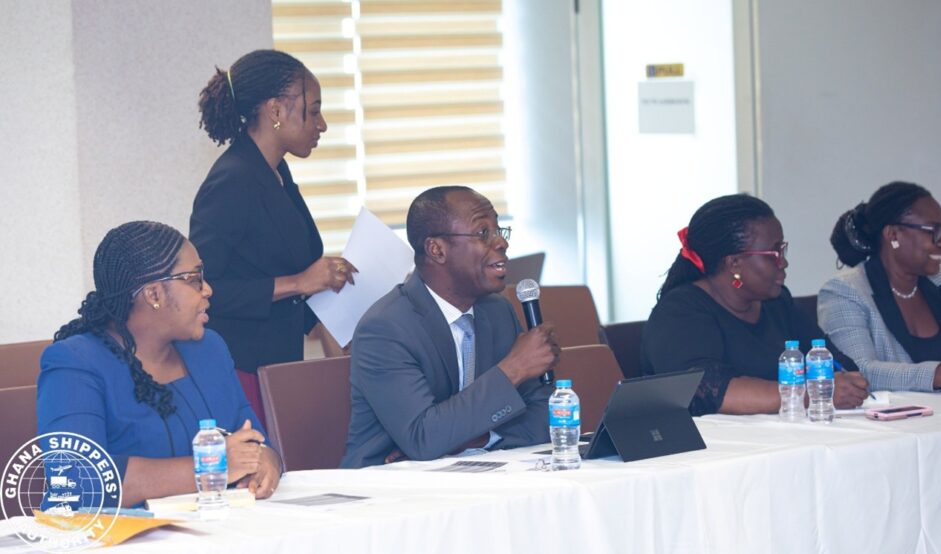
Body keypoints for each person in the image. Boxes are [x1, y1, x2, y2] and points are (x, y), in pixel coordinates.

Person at [38, 221, 282, 507]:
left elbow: (255, 439)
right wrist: (210, 467)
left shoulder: (209, 349)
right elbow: (77, 479)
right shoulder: (75, 364)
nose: (207, 289)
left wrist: (267, 461)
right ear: (154, 294)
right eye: (194, 278)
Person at [191, 49, 357, 425]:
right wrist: (299, 282)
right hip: (240, 370)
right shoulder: (232, 180)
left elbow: (290, 263)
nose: (322, 125)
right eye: (314, 111)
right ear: (276, 110)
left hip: (278, 361)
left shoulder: (275, 171)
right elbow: (201, 289)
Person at [342, 186, 558, 468]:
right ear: (437, 250)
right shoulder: (385, 329)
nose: (501, 243)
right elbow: (424, 438)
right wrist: (513, 369)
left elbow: (548, 417)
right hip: (389, 482)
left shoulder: (498, 312)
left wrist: (477, 440)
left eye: (499, 230)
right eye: (483, 232)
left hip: (480, 472)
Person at [640, 194, 870, 416]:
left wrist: (846, 384)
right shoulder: (680, 312)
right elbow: (710, 392)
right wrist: (811, 394)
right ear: (734, 263)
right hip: (711, 441)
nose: (784, 262)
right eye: (774, 253)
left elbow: (836, 363)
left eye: (782, 250)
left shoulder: (777, 304)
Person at [819, 181, 941, 393]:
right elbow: (858, 372)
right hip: (899, 414)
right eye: (933, 231)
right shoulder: (846, 291)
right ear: (893, 235)